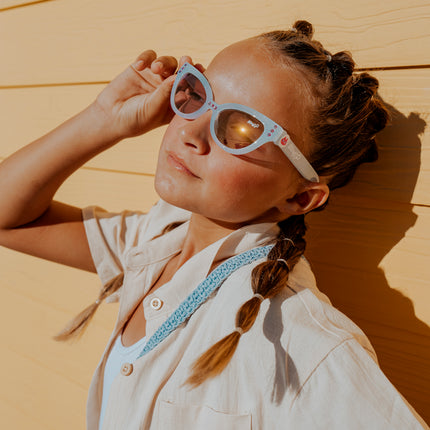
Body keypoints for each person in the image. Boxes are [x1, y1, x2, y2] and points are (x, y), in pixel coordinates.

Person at [0, 20, 427, 430]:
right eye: (197, 92)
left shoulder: (299, 344)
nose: (192, 132)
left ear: (298, 197)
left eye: (242, 129)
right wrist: (105, 118)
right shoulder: (158, 238)